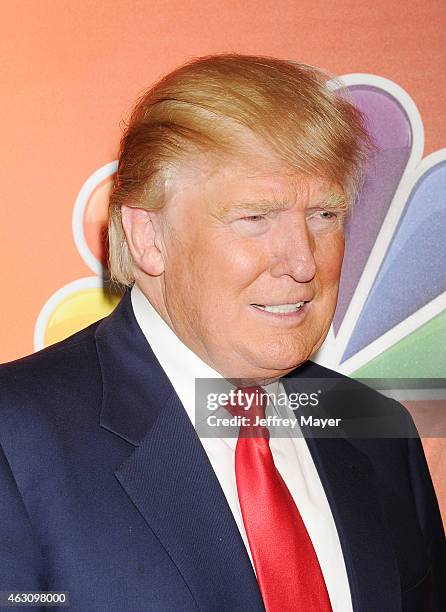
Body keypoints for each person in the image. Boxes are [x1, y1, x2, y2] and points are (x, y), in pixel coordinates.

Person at [0, 53, 444, 612]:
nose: (303, 262)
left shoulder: (379, 432)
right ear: (148, 237)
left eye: (324, 215)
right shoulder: (15, 442)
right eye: (256, 218)